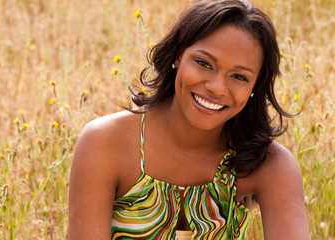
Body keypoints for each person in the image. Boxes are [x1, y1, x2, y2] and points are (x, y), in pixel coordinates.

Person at [69, 0, 309, 239]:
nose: (216, 88)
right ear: (177, 56)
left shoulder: (270, 165)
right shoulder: (105, 143)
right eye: (204, 63)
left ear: (256, 85)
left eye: (239, 76)